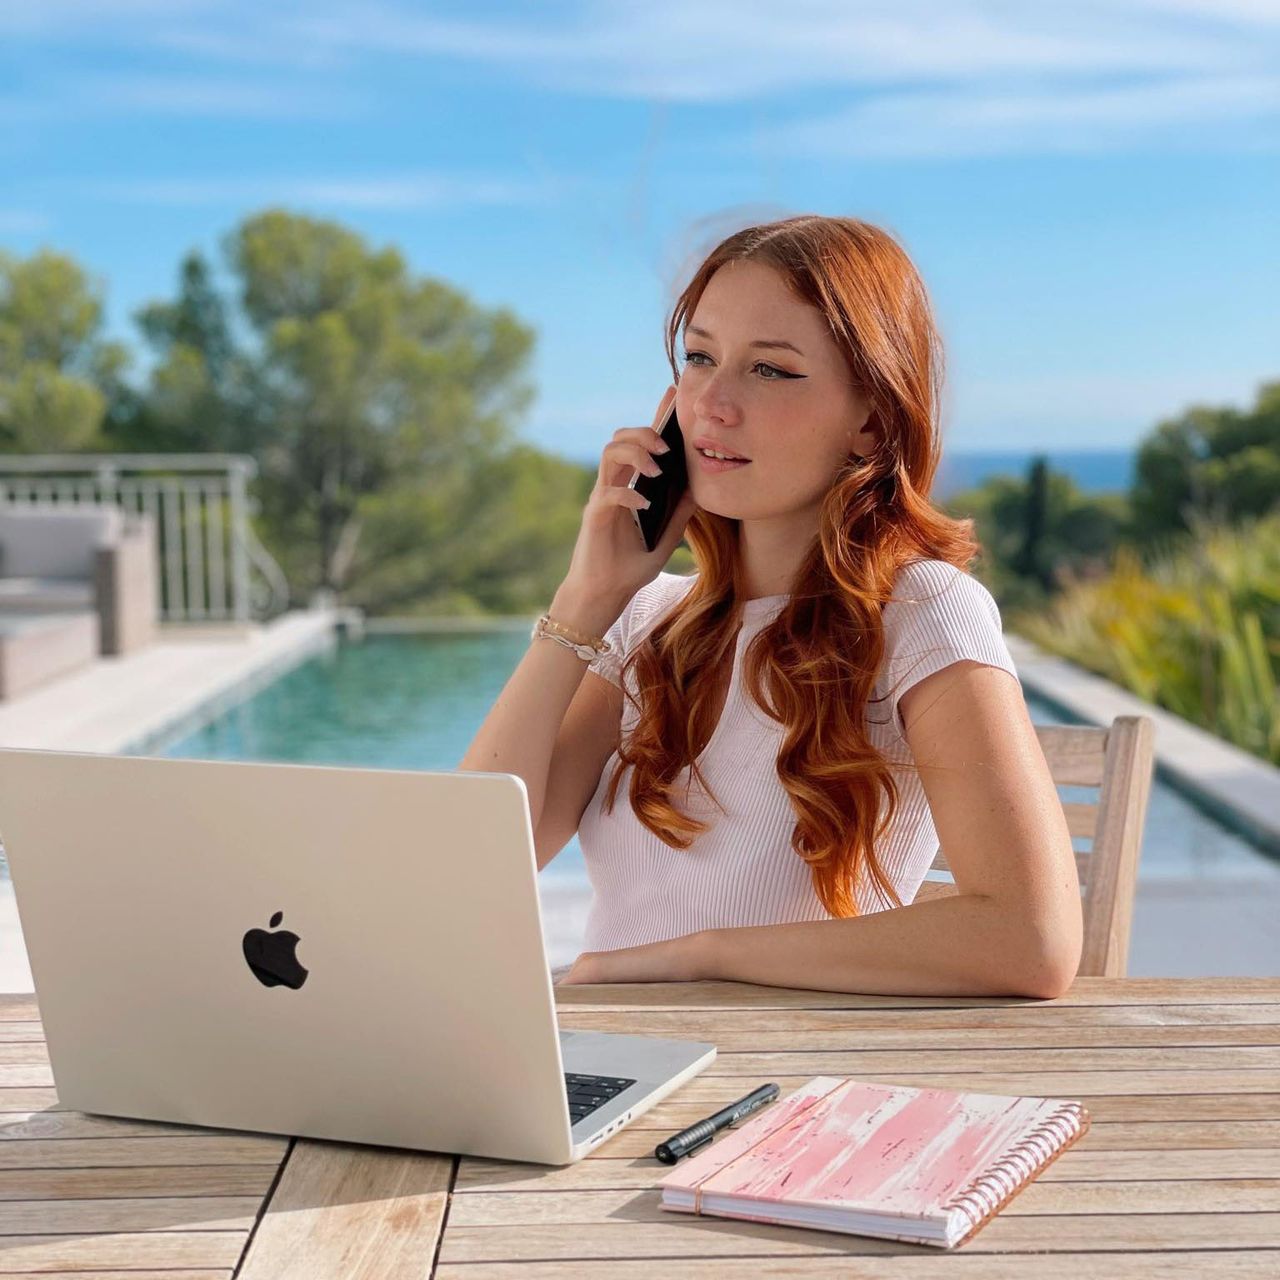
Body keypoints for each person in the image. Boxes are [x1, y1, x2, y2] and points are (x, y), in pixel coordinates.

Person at [459, 214, 1081, 999]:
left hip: (801, 1082)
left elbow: (1030, 940)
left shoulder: (924, 611)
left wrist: (702, 954)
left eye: (771, 371)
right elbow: (470, 872)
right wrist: (584, 602)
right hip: (623, 1057)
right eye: (700, 358)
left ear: (870, 421)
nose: (711, 404)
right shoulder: (643, 621)